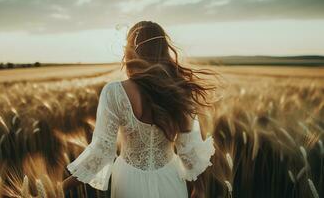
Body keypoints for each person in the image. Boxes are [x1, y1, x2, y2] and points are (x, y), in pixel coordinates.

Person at [63, 20, 216, 198]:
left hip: (129, 183)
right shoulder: (179, 91)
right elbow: (188, 149)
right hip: (170, 180)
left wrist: (63, 186)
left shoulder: (114, 93)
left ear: (130, 51)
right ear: (164, 51)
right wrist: (200, 189)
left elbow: (102, 152)